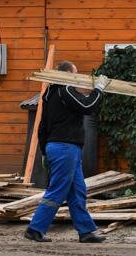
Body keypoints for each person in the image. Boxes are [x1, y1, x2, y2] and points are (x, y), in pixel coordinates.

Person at [25, 61, 109, 243]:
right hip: (65, 147)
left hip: (59, 147)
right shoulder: (65, 90)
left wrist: (45, 151)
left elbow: (42, 126)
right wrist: (99, 90)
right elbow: (88, 106)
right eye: (76, 74)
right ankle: (35, 228)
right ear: (68, 74)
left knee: (77, 190)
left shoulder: (49, 94)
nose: (77, 79)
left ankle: (86, 231)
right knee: (58, 190)